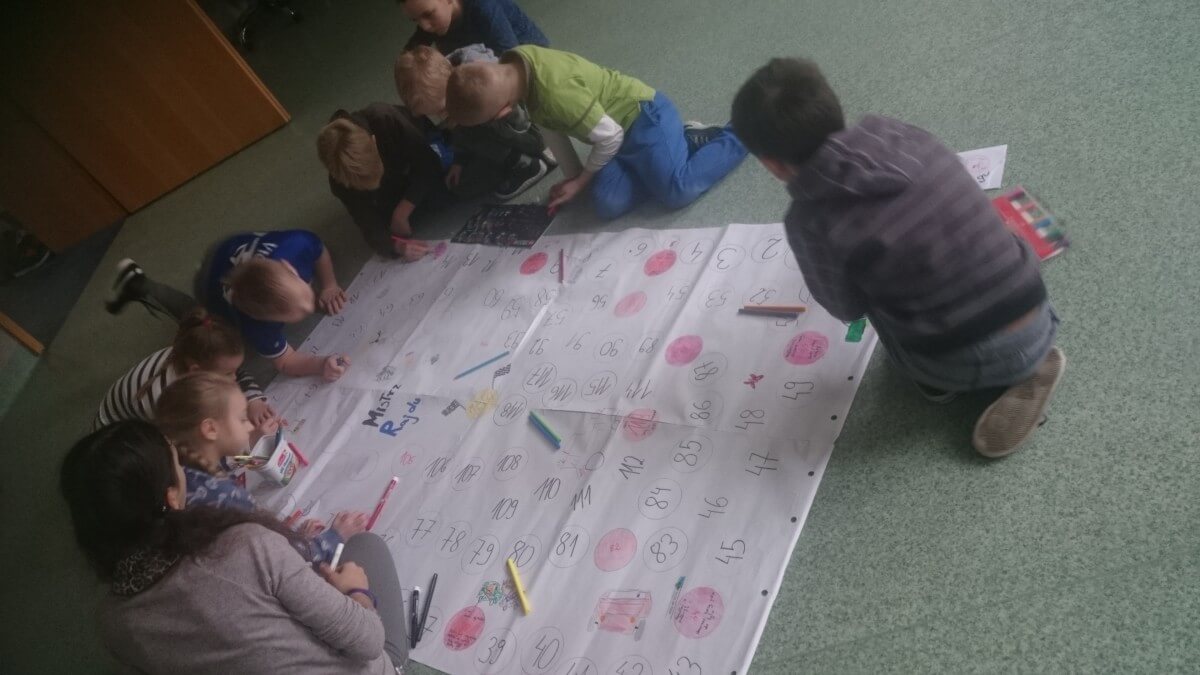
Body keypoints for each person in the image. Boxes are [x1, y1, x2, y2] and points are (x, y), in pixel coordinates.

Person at [730, 57, 1066, 458]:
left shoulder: (809, 222)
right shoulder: (901, 133)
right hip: (1035, 303)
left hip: (968, 355)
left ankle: (952, 381)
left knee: (879, 310)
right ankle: (1026, 360)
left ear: (770, 164)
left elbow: (847, 308)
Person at [60, 420, 409, 673]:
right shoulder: (245, 545)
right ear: (171, 498)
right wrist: (357, 591)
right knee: (366, 547)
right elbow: (367, 641)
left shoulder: (112, 623)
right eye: (177, 466)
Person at [445, 45, 747, 219]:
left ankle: (740, 132)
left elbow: (610, 136)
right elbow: (551, 125)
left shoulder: (555, 94)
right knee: (606, 202)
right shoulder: (513, 63)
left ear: (502, 113)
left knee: (675, 191)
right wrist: (575, 177)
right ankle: (678, 146)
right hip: (618, 137)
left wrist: (579, 182)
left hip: (644, 117)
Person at [154, 371, 366, 562]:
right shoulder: (227, 499)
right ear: (210, 429)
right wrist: (332, 538)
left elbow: (219, 465)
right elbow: (283, 558)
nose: (249, 425)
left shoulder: (180, 468)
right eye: (242, 419)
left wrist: (252, 448)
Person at [106, 229, 350, 381]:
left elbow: (318, 250)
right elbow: (286, 361)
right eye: (296, 313)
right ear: (263, 319)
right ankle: (140, 284)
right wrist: (320, 364)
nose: (310, 308)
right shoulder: (255, 326)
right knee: (203, 323)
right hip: (210, 279)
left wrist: (329, 284)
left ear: (289, 267)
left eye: (305, 293)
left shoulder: (296, 244)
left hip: (228, 246)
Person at [395, 45, 551, 201]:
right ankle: (513, 162)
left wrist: (497, 120)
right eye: (436, 113)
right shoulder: (446, 85)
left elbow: (521, 112)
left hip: (528, 129)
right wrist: (459, 161)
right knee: (461, 186)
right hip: (498, 139)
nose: (442, 115)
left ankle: (526, 165)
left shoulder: (481, 77)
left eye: (443, 109)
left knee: (470, 128)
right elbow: (460, 133)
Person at [94, 307, 278, 433]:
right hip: (120, 435)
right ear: (196, 371)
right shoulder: (171, 402)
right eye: (228, 374)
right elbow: (200, 453)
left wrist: (253, 400)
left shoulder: (192, 353)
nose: (235, 379)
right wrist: (249, 450)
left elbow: (234, 374)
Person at [318, 105, 442, 260]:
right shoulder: (340, 182)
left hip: (419, 152)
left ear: (374, 140)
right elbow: (369, 225)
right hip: (393, 182)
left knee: (443, 192)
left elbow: (430, 163)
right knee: (386, 226)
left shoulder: (386, 119)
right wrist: (399, 246)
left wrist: (403, 210)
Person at [400, 0, 548, 55]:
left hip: (526, 50)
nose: (424, 26)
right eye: (415, 20)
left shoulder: (483, 7)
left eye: (428, 14)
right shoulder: (435, 21)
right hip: (479, 48)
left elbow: (512, 53)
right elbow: (418, 41)